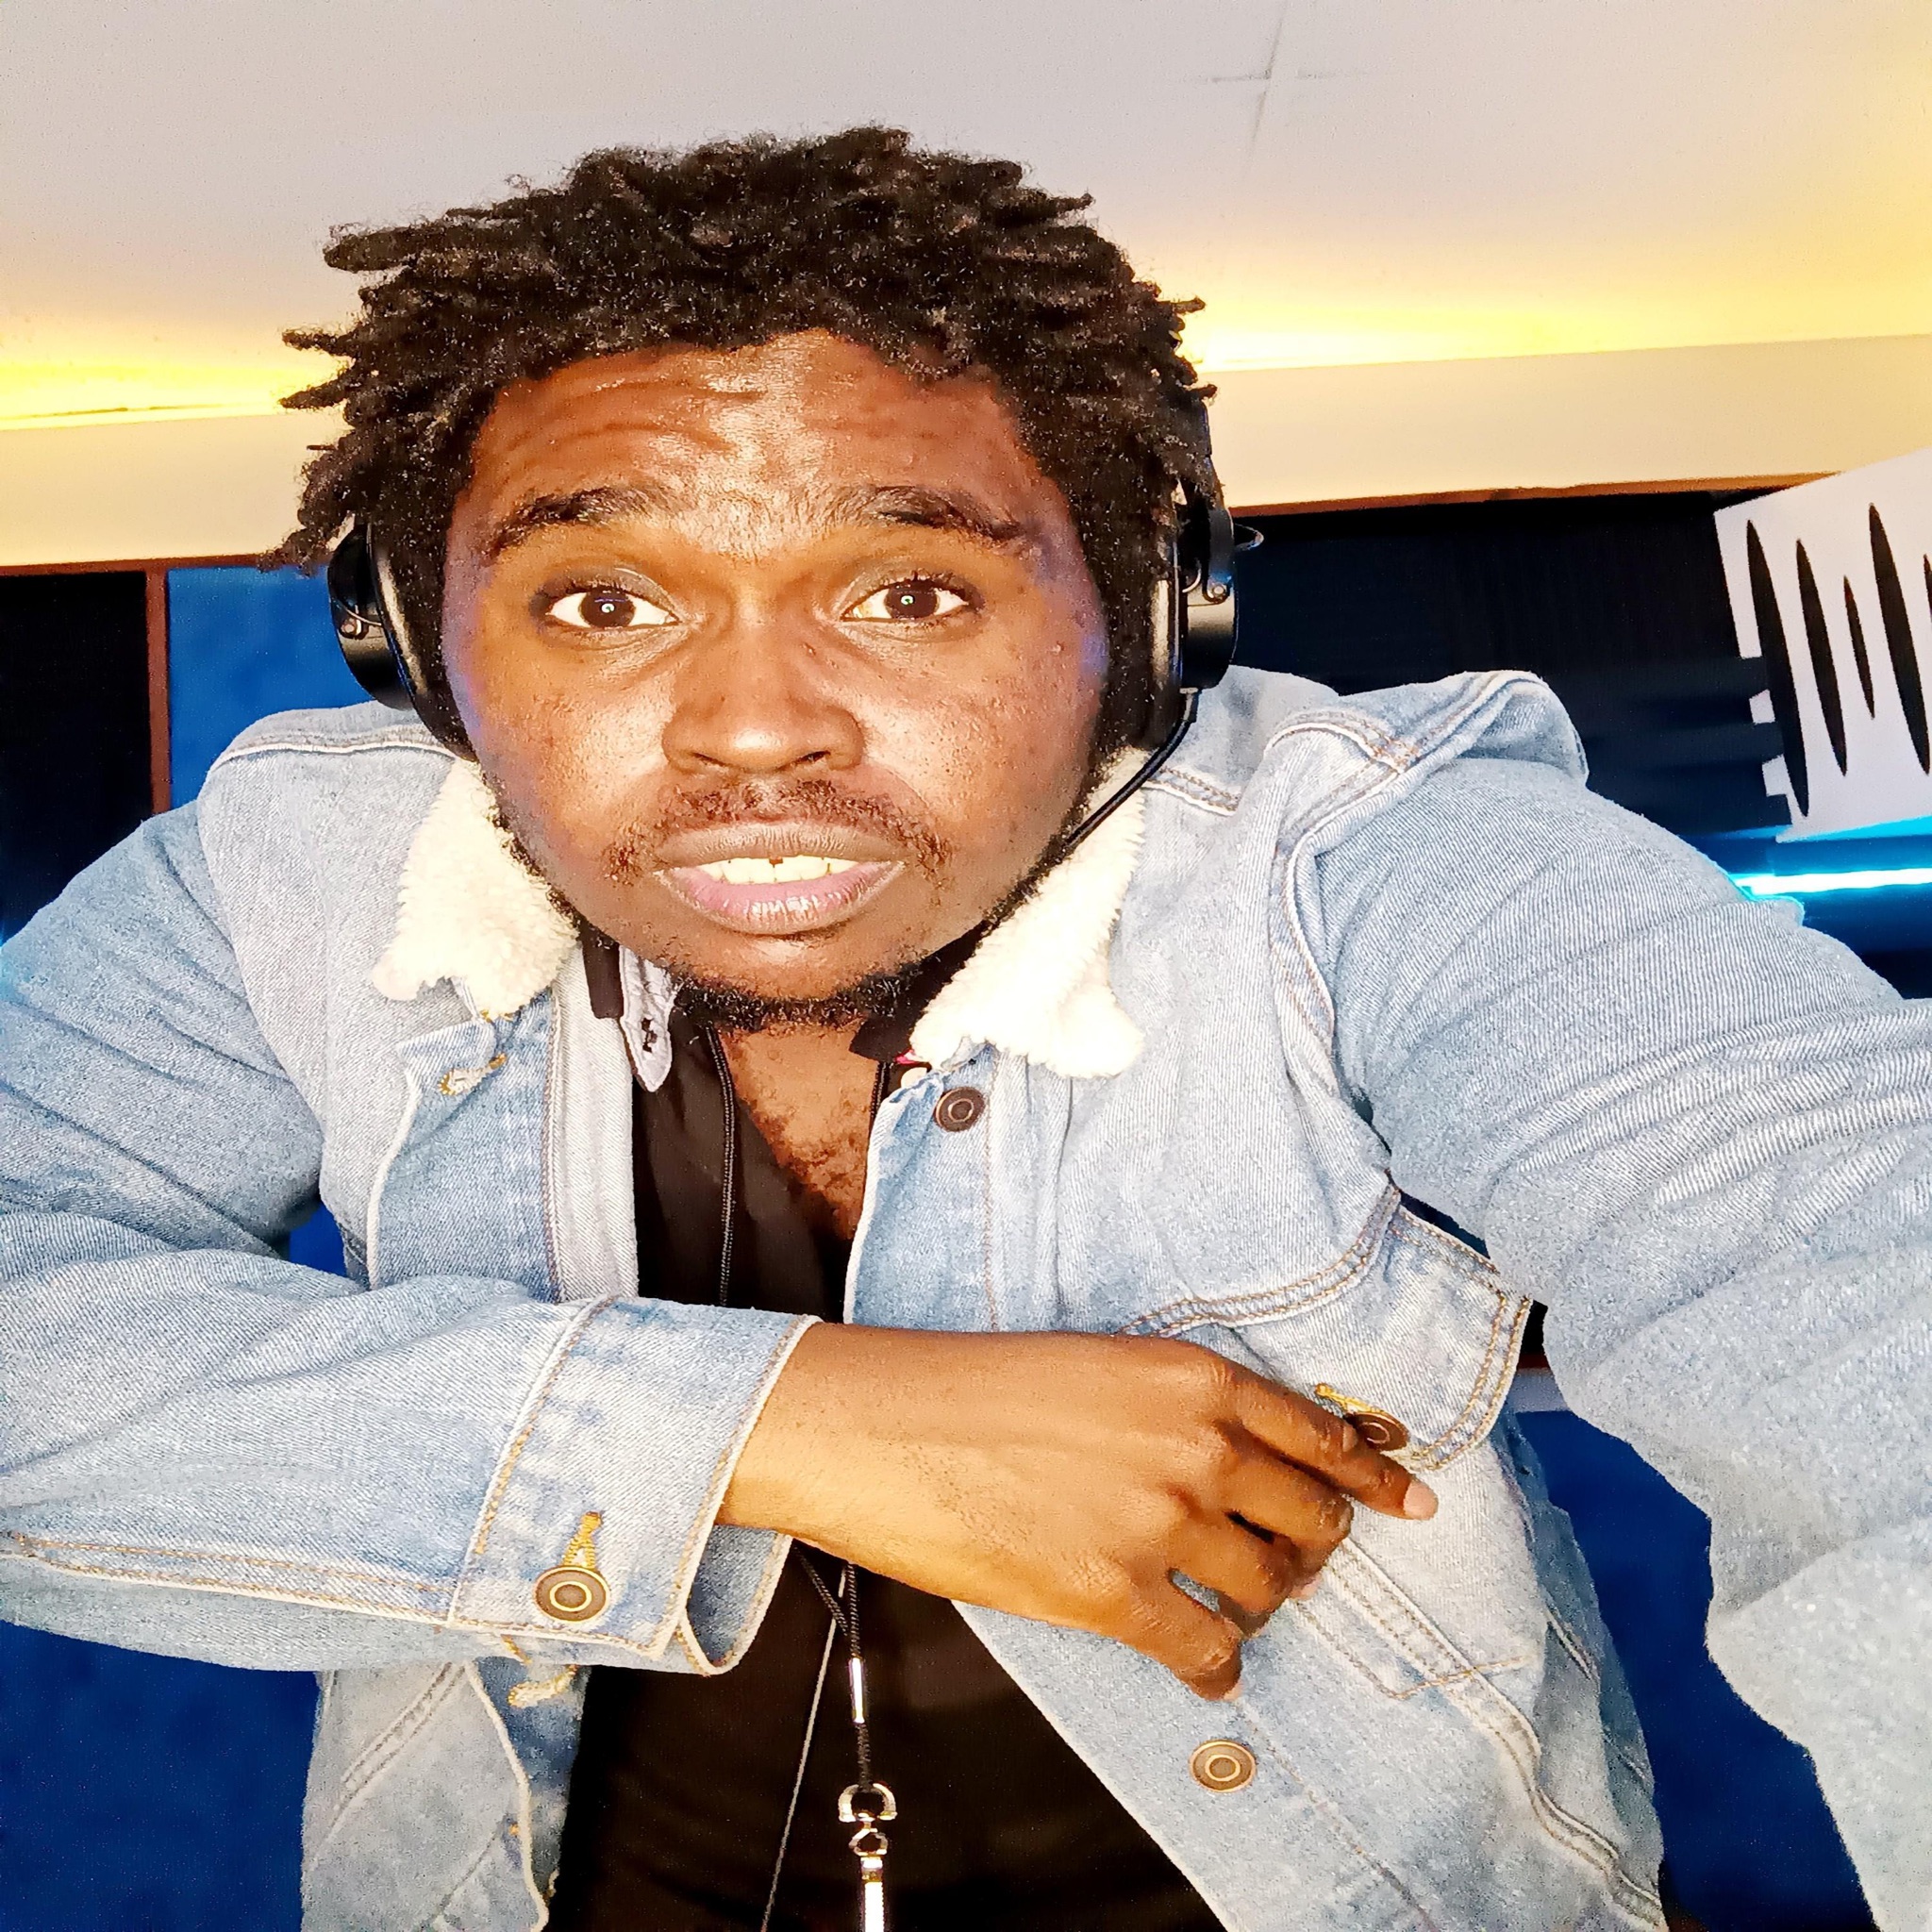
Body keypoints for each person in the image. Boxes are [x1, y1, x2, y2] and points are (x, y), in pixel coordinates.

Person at [0, 128, 1925, 1932]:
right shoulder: (287, 876)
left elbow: (1850, 1284)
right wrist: (790, 1426)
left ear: (1148, 620)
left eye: (910, 591)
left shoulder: (1387, 860)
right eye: (599, 602)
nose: (757, 729)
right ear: (419, 654)